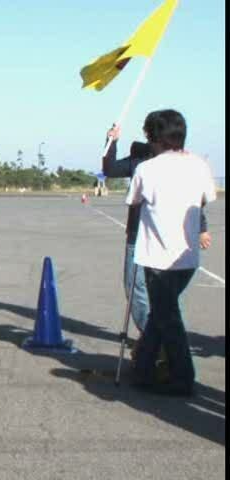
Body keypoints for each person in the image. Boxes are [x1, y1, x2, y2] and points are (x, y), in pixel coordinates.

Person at [125, 109, 217, 396]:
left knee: (168, 318)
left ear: (153, 136)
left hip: (158, 257)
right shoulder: (199, 165)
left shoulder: (147, 169)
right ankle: (143, 369)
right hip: (187, 257)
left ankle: (183, 377)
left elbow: (134, 201)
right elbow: (206, 199)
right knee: (160, 314)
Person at [103, 125, 211, 347]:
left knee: (168, 295)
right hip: (138, 234)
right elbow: (110, 169)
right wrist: (111, 142)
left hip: (172, 238)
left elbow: (193, 201)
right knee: (134, 287)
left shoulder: (186, 164)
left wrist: (201, 227)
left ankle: (157, 340)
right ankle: (152, 334)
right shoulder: (140, 162)